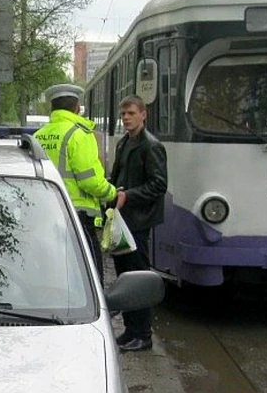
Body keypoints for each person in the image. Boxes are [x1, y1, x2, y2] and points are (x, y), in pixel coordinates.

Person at [34, 83, 126, 285]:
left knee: (51, 277)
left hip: (43, 217)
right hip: (78, 219)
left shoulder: (38, 136)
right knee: (88, 281)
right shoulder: (80, 134)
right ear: (77, 107)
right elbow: (90, 181)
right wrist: (112, 193)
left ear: (53, 108)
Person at [109, 95, 167, 352]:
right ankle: (130, 329)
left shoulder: (150, 145)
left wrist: (128, 195)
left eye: (131, 113)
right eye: (123, 114)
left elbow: (159, 184)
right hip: (124, 220)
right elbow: (117, 175)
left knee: (138, 277)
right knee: (125, 276)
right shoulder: (124, 143)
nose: (126, 118)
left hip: (139, 222)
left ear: (144, 114)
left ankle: (143, 334)